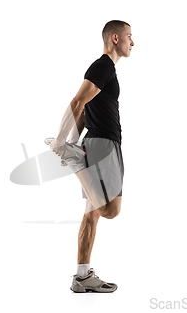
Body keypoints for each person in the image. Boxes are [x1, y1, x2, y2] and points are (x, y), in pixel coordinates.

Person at [49, 20, 134, 293]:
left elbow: (86, 110)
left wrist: (73, 137)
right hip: (103, 145)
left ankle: (82, 276)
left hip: (100, 143)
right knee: (111, 210)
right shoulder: (103, 66)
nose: (133, 42)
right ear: (115, 38)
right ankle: (74, 160)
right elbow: (77, 101)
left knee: (93, 213)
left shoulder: (107, 70)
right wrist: (62, 141)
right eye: (129, 36)